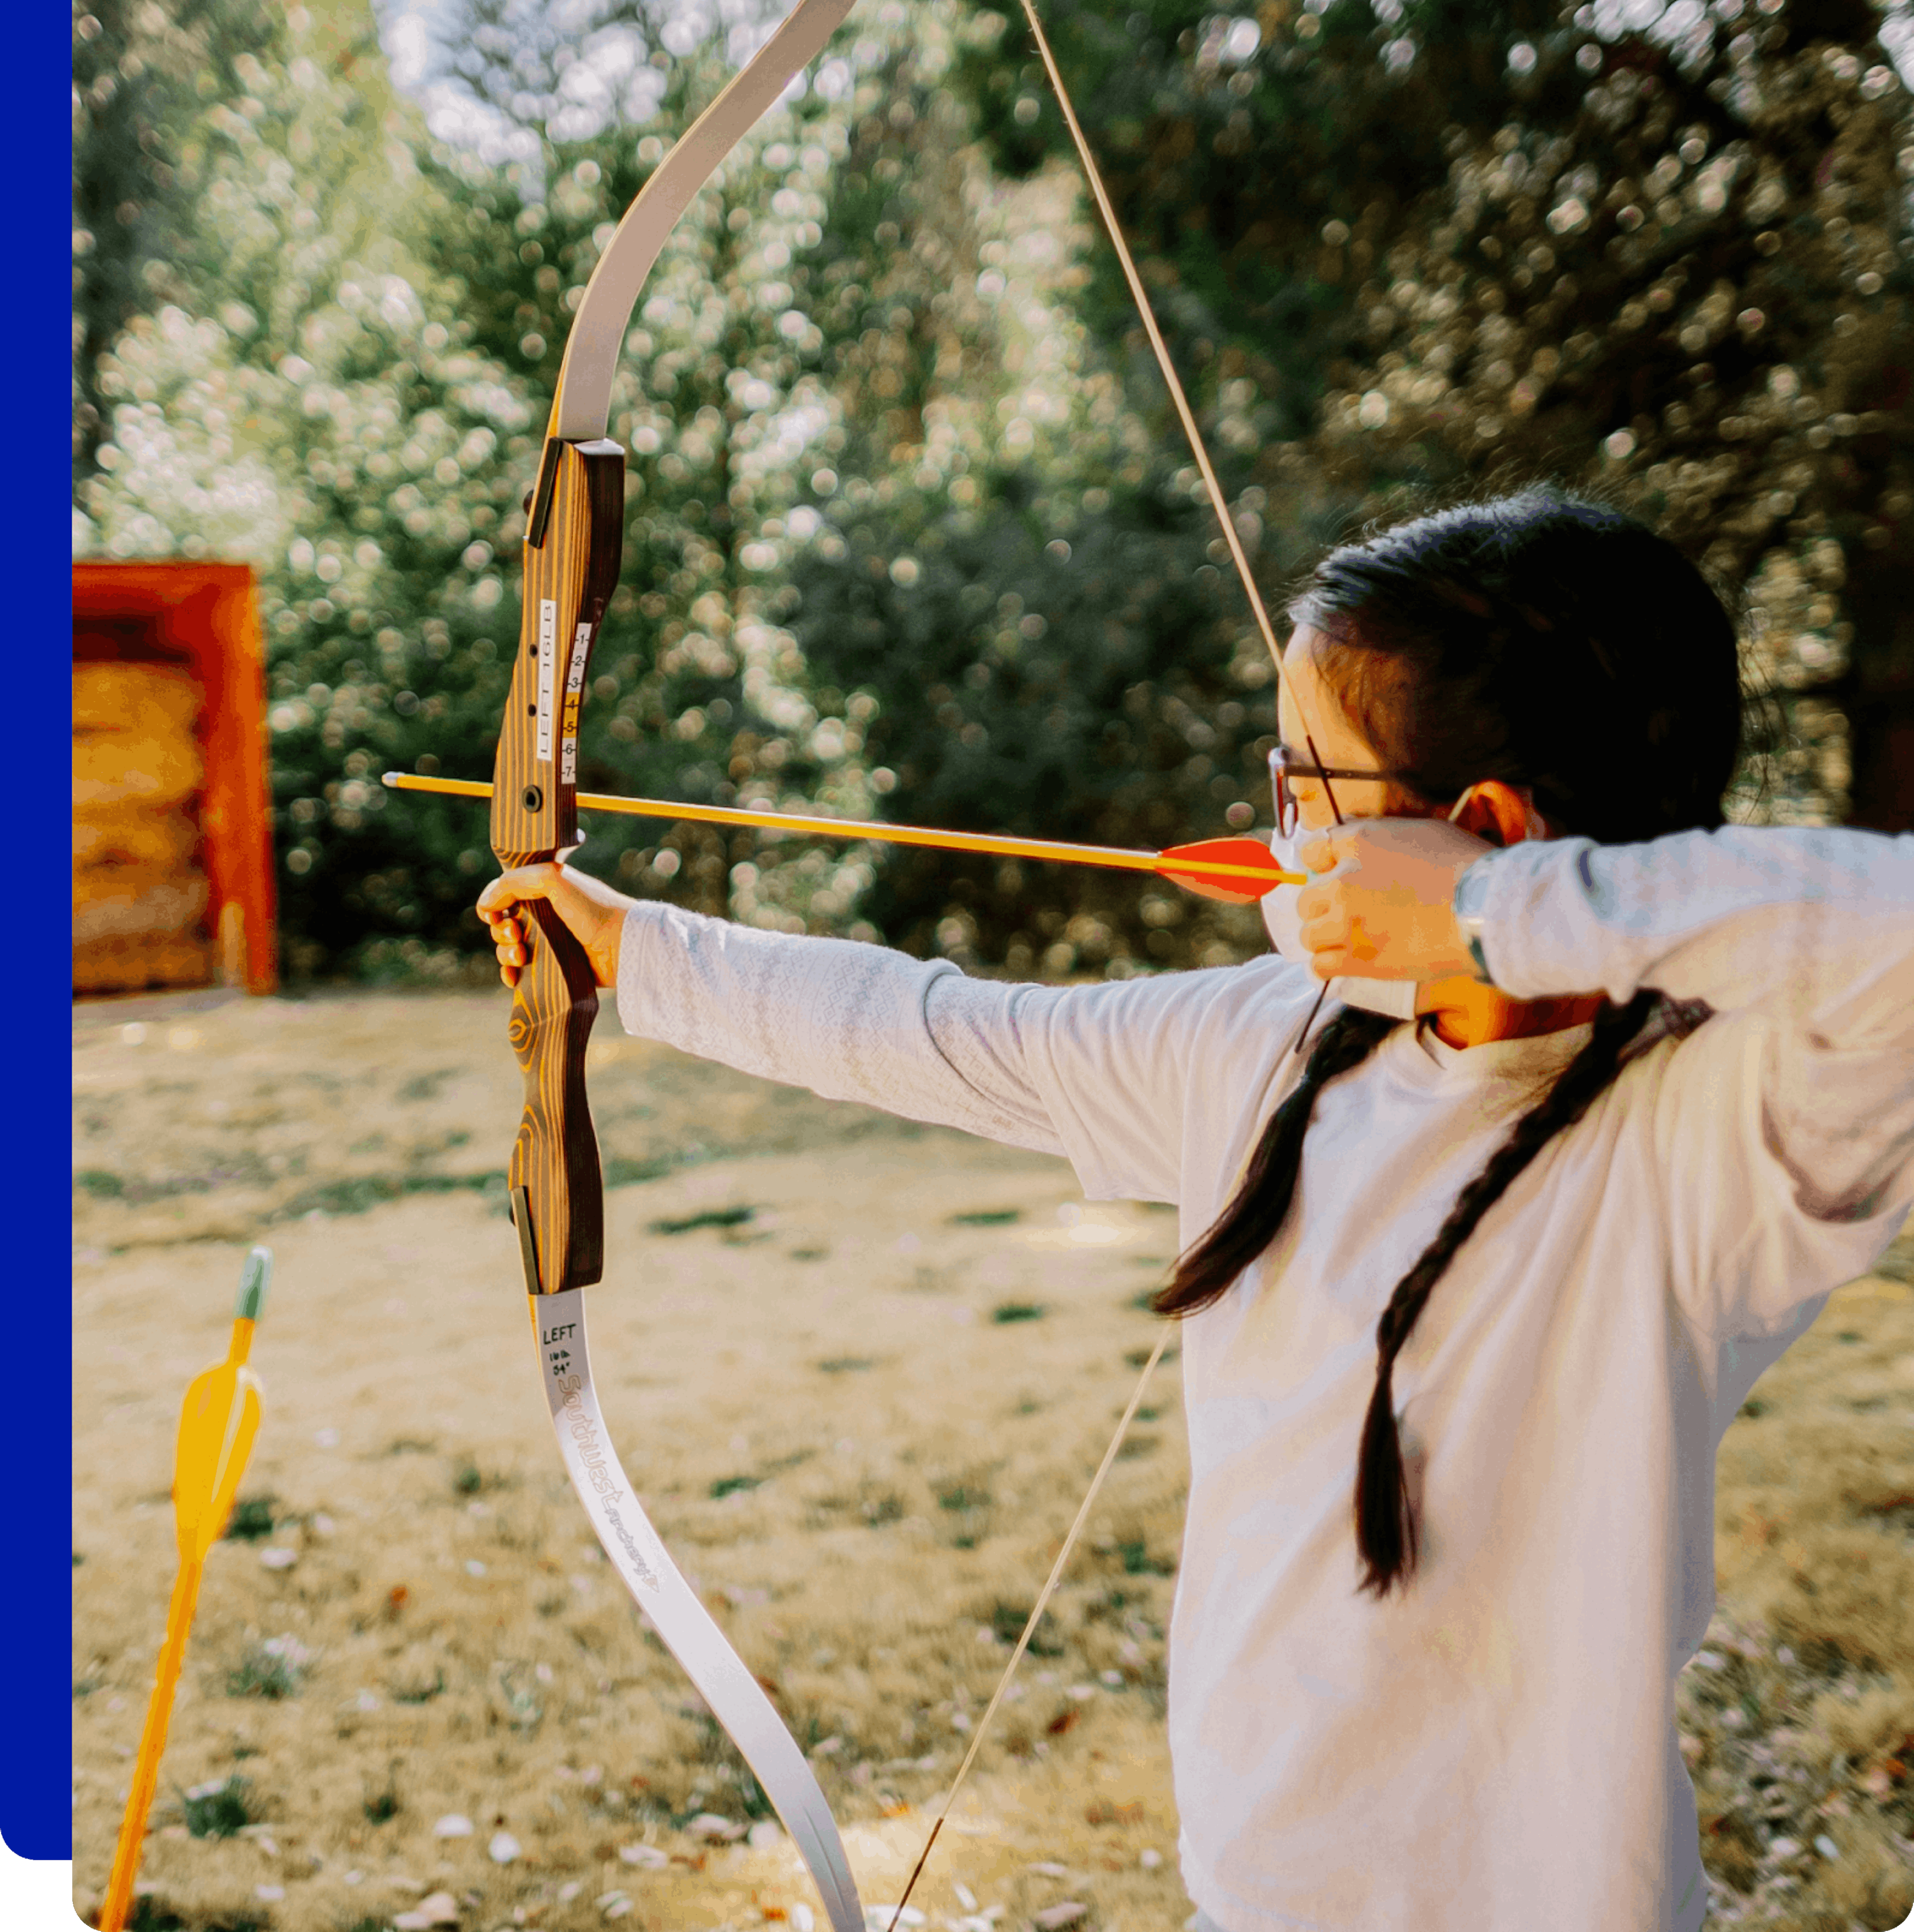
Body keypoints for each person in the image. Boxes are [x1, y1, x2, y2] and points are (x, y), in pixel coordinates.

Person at [477, 486, 1914, 1932]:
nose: (1273, 825)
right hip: (1261, 1890)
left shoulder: (1716, 1136)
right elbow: (942, 1032)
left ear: (1478, 829)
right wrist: (635, 952)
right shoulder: (1266, 1041)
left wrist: (1500, 913)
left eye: (1307, 786)